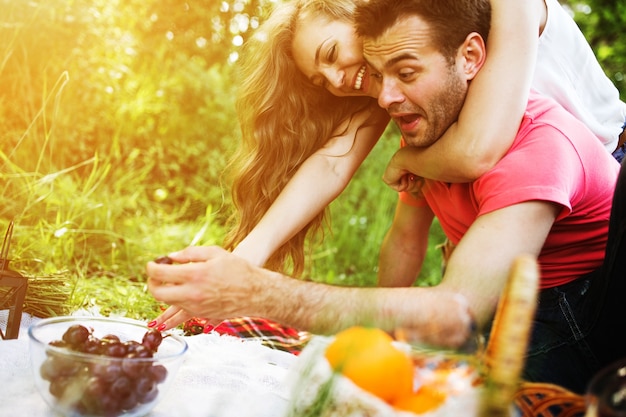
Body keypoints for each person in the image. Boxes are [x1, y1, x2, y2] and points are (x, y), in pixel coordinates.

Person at [147, 0, 625, 393]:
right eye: (320, 78)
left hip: (601, 167)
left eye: (333, 54)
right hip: (521, 206)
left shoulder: (492, 18)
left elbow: (479, 150)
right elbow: (336, 163)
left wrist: (409, 163)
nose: (337, 82)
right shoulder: (413, 86)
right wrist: (240, 263)